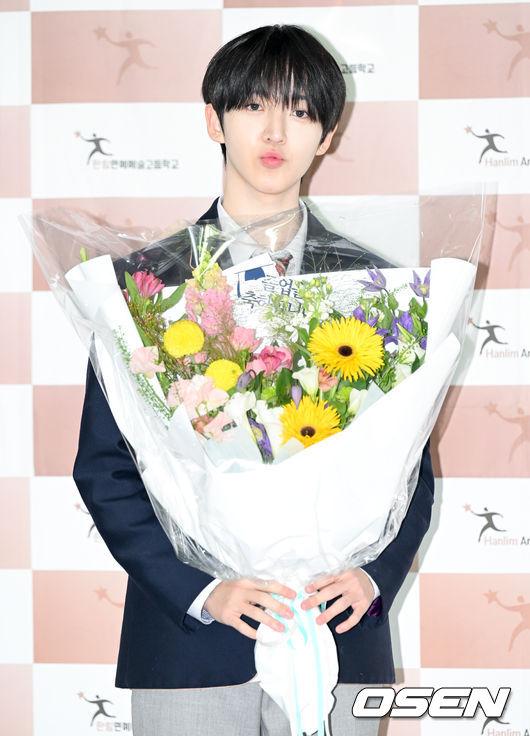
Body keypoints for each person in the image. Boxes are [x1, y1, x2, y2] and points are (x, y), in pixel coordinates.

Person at [73, 24, 435, 736]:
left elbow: (409, 467)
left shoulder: (375, 289)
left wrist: (372, 578)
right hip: (190, 643)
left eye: (301, 111)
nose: (276, 131)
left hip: (335, 633)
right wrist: (200, 590)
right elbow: (104, 466)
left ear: (327, 135)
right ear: (215, 120)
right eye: (254, 106)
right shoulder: (147, 288)